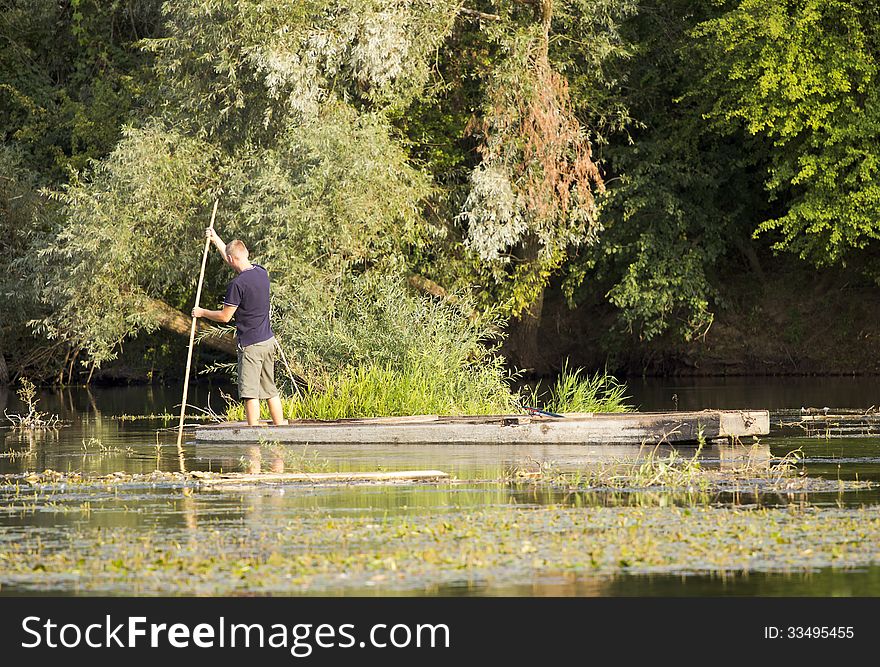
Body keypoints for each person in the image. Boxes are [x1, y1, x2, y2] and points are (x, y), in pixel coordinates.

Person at [192, 228, 288, 427]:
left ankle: (253, 437)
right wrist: (216, 239)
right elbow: (232, 258)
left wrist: (202, 312)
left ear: (231, 259)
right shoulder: (262, 272)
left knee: (250, 393)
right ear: (246, 254)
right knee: (270, 390)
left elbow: (225, 317)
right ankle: (282, 431)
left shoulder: (237, 285)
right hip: (268, 341)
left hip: (251, 346)